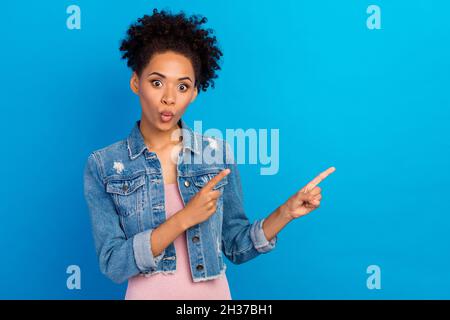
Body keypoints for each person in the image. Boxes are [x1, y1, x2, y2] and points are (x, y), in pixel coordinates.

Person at [83, 8, 335, 300]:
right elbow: (113, 264)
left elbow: (236, 246)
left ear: (194, 94)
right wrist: (183, 219)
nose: (169, 97)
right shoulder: (103, 165)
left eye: (182, 86)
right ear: (136, 82)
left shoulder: (216, 155)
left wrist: (286, 212)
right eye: (156, 82)